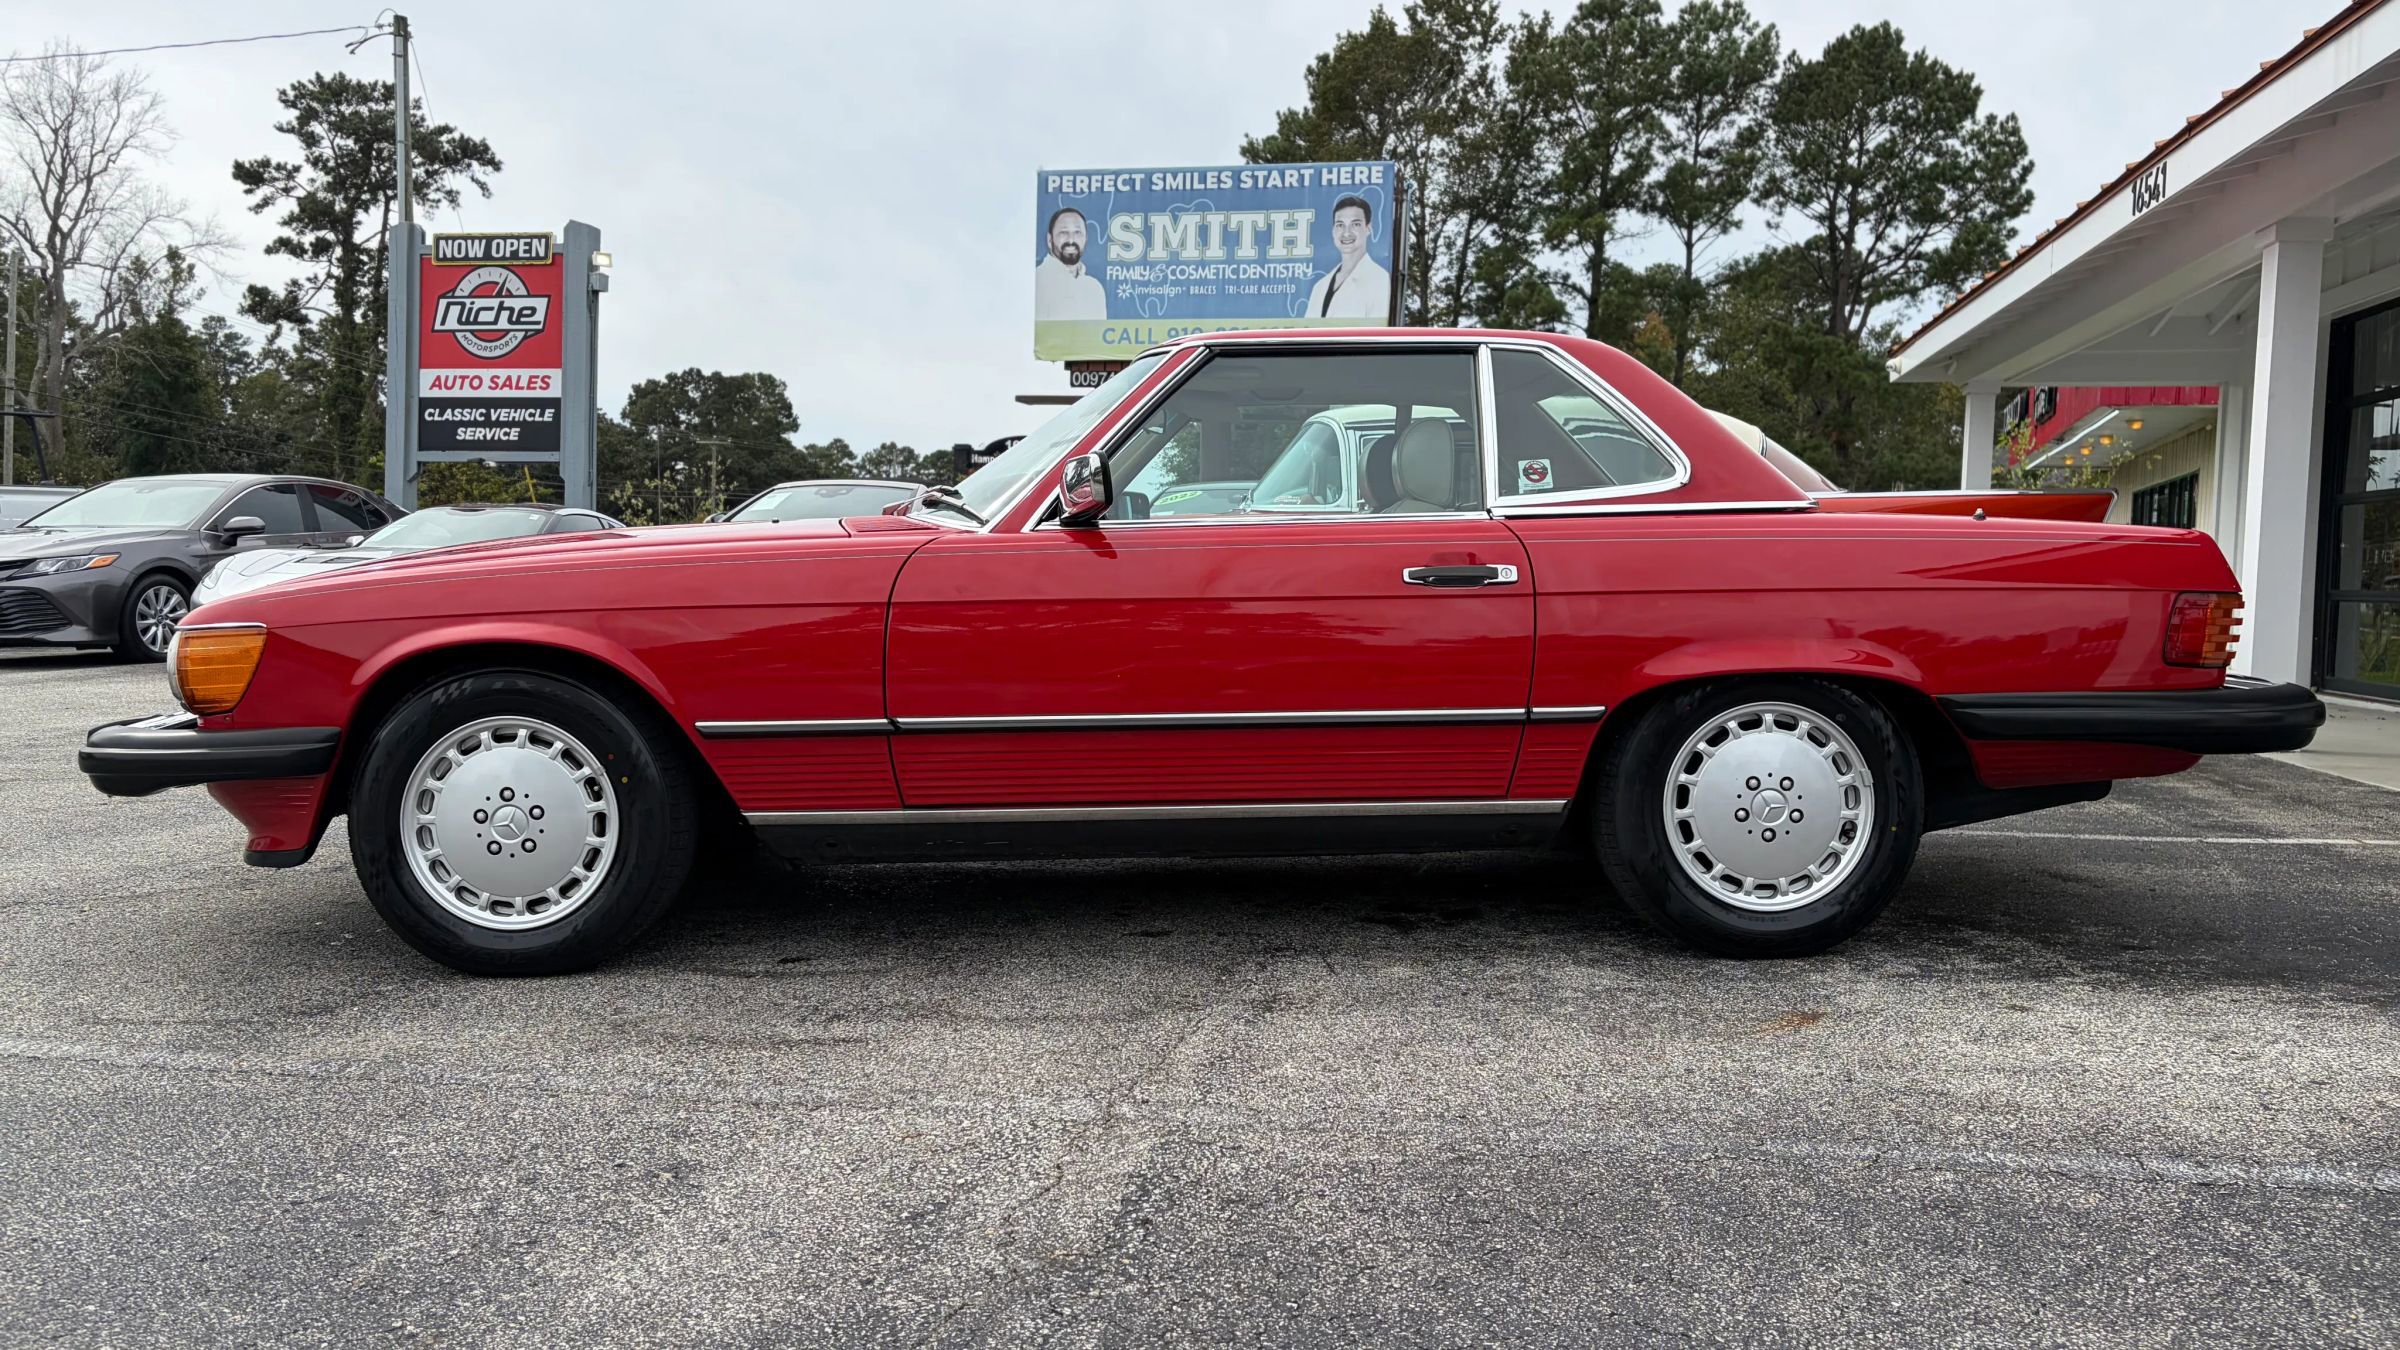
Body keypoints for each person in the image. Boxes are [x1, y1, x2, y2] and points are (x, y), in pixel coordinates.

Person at [1305, 195, 1391, 320]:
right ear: (1333, 230)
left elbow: (1376, 334)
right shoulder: (1319, 287)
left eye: (1355, 224)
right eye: (1340, 225)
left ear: (1368, 228)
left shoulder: (1380, 280)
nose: (1346, 233)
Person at [1035, 207, 1108, 321]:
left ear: (1085, 238)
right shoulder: (1036, 281)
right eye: (1063, 233)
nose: (1071, 240)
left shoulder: (1094, 288)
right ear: (1050, 240)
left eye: (1077, 233)